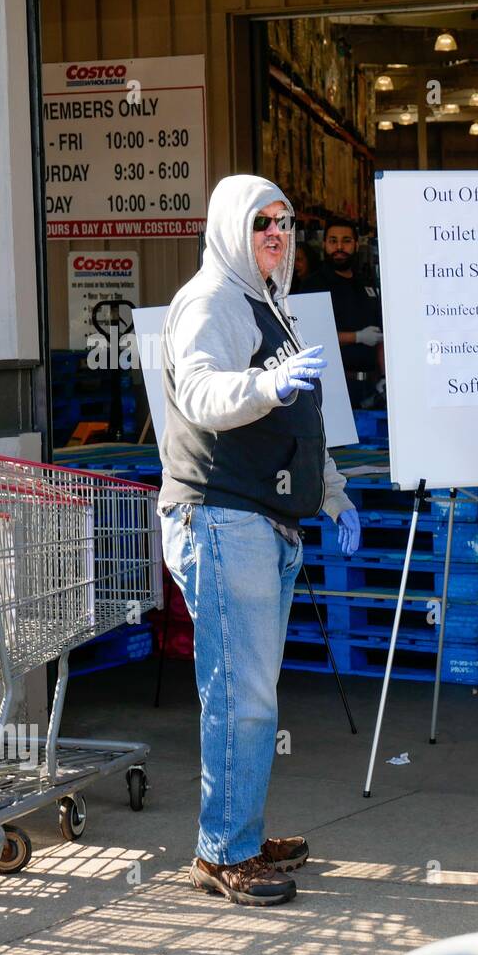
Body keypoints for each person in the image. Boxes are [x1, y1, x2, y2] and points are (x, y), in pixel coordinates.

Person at [158, 175, 362, 907]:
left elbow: (304, 419)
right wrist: (264, 388)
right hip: (222, 516)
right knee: (237, 696)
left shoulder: (269, 305)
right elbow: (202, 393)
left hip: (264, 521)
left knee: (253, 697)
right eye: (260, 222)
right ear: (229, 230)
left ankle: (240, 831)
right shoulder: (212, 301)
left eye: (284, 221)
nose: (276, 233)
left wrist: (332, 493)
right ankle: (223, 853)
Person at [304, 218, 384, 408]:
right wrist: (357, 337)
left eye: (346, 241)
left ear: (356, 245)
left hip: (372, 386)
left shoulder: (367, 283)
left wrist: (384, 376)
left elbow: (381, 333)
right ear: (324, 244)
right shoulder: (313, 285)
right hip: (333, 386)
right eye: (333, 241)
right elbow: (310, 337)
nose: (339, 246)